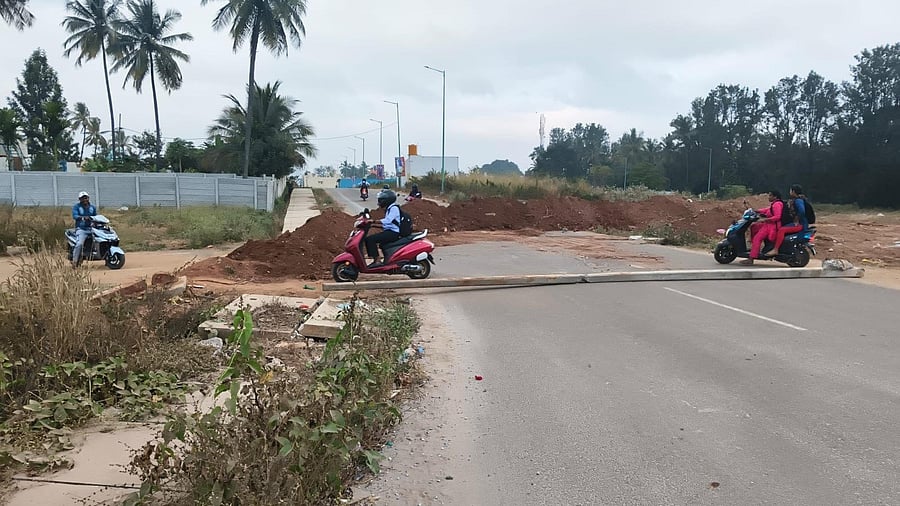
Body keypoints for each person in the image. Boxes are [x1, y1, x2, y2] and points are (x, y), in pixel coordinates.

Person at [740, 190, 783, 265]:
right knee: (754, 226)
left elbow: (778, 216)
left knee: (757, 238)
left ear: (775, 197)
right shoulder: (774, 204)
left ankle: (751, 258)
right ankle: (754, 248)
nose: (768, 197)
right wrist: (756, 211)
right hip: (769, 224)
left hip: (771, 226)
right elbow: (767, 210)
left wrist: (766, 219)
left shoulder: (777, 205)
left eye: (770, 195)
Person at [767, 184, 808, 256]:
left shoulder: (798, 200)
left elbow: (802, 211)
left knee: (781, 230)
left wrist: (796, 219)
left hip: (799, 224)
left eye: (790, 190)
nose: (790, 192)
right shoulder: (794, 200)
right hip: (798, 223)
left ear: (793, 191)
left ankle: (775, 249)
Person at [365, 189, 401, 267]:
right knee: (373, 240)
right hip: (390, 231)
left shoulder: (394, 208)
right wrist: (373, 225)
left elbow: (388, 221)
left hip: (393, 233)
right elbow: (388, 224)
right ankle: (382, 259)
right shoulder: (389, 209)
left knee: (370, 239)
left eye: (381, 200)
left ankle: (377, 260)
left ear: (387, 200)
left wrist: (374, 221)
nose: (380, 202)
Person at [71, 191, 97, 267]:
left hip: (92, 229)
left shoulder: (92, 207)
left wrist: (96, 221)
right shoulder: (77, 207)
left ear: (88, 198)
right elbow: (75, 216)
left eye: (86, 198)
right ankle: (75, 261)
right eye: (83, 198)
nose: (85, 199)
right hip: (81, 229)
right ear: (80, 199)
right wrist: (82, 217)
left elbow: (95, 216)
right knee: (79, 244)